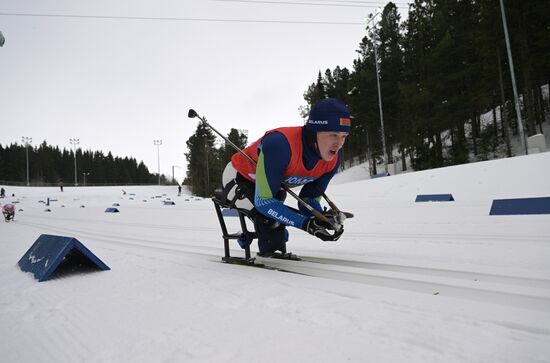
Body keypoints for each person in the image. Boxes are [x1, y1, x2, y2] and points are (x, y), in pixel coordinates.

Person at [221, 98, 351, 256]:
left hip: (274, 186)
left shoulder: (333, 160)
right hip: (238, 179)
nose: (339, 144)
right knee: (267, 218)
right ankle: (253, 242)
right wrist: (306, 224)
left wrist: (322, 218)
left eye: (344, 136)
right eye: (333, 135)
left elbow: (307, 201)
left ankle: (274, 239)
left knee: (274, 221)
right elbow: (263, 202)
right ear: (315, 131)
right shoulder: (280, 145)